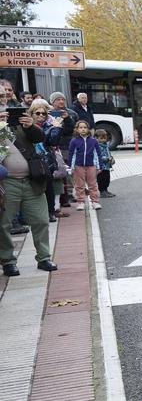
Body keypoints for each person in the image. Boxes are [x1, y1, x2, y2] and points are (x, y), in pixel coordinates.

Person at [0, 106, 57, 276]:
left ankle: (44, 258)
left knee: (41, 220)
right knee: (3, 224)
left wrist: (31, 126)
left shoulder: (19, 122)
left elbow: (40, 138)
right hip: (7, 182)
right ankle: (8, 261)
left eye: (4, 96)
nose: (3, 99)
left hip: (32, 179)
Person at [67, 119, 104, 209]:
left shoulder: (93, 141)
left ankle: (95, 202)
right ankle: (81, 202)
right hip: (78, 166)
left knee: (93, 185)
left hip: (91, 166)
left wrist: (99, 166)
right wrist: (70, 167)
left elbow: (98, 154)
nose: (83, 129)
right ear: (77, 129)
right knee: (79, 185)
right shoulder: (74, 141)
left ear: (88, 129)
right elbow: (71, 154)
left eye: (85, 127)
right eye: (80, 127)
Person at [93, 128, 115, 197]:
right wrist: (107, 158)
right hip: (100, 167)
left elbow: (108, 154)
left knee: (107, 179)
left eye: (105, 138)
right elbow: (98, 157)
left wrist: (111, 159)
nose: (103, 140)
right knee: (101, 179)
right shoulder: (97, 146)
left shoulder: (106, 146)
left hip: (107, 166)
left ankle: (106, 190)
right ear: (96, 138)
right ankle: (102, 191)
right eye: (101, 138)